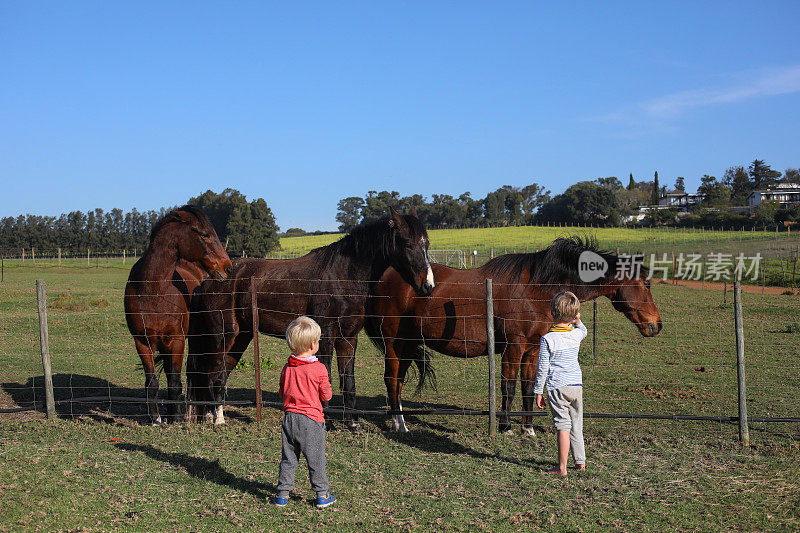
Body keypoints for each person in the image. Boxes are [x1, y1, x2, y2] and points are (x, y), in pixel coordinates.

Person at [271, 316, 336, 508]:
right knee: (316, 459)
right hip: (312, 420)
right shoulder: (319, 369)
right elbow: (327, 396)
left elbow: (282, 392)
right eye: (317, 340)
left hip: (289, 419)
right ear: (311, 345)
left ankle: (282, 494)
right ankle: (322, 495)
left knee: (288, 458)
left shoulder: (287, 368)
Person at [534, 290, 588, 477]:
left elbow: (543, 368)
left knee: (563, 426)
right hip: (576, 385)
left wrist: (538, 391)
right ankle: (580, 462)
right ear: (574, 315)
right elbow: (584, 331)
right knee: (577, 423)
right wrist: (578, 321)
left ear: (552, 312)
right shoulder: (575, 334)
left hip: (557, 387)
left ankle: (562, 467)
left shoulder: (548, 339)